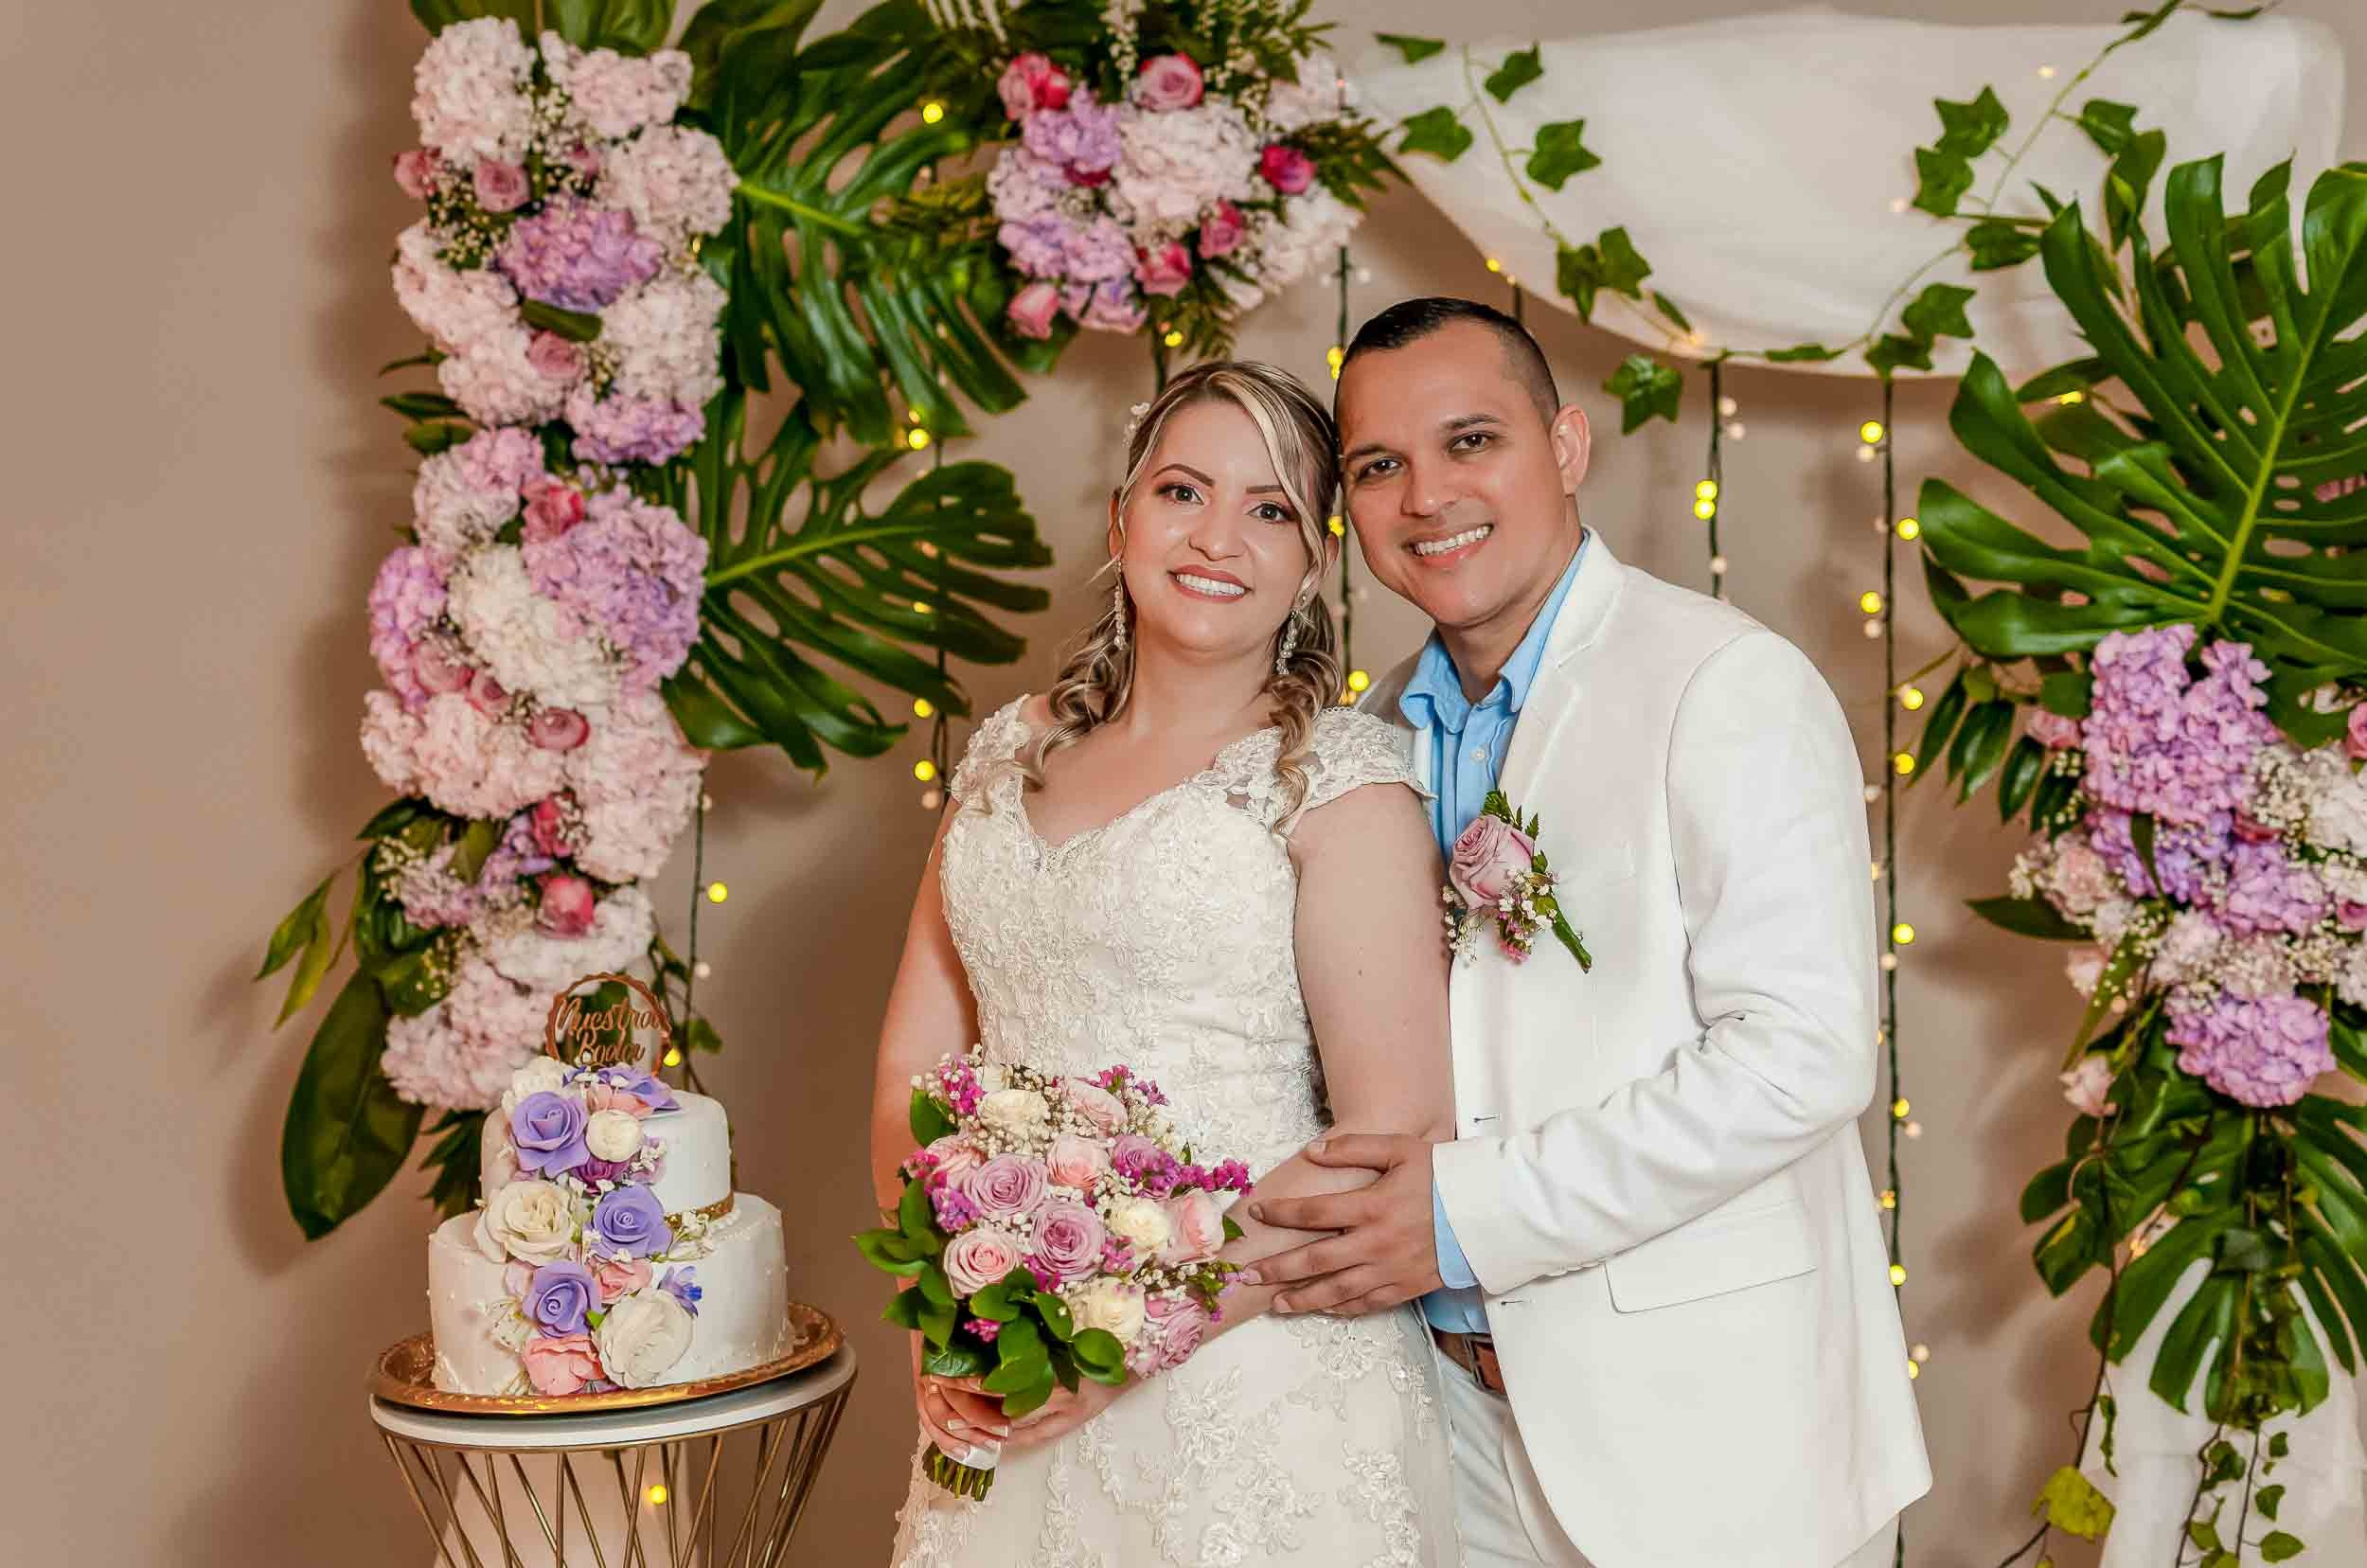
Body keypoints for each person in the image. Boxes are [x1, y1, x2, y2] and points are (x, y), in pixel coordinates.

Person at [1237, 298, 1932, 1567]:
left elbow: (1804, 1053)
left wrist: (1462, 1217)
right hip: (1438, 1415)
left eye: (1470, 442)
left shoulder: (1723, 681)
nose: (1426, 495)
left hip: (1704, 1435)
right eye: (1379, 467)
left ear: (1565, 446)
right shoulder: (1367, 735)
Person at [873, 361, 1462, 1565]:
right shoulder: (1008, 751)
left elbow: (1392, 1138)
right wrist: (950, 1311)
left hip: (1256, 1380)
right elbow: (912, 1067)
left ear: (1312, 561)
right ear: (1121, 515)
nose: (1217, 538)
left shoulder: (1342, 785)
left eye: (1270, 511)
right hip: (1003, 1371)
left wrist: (1124, 1342)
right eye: (1184, 490)